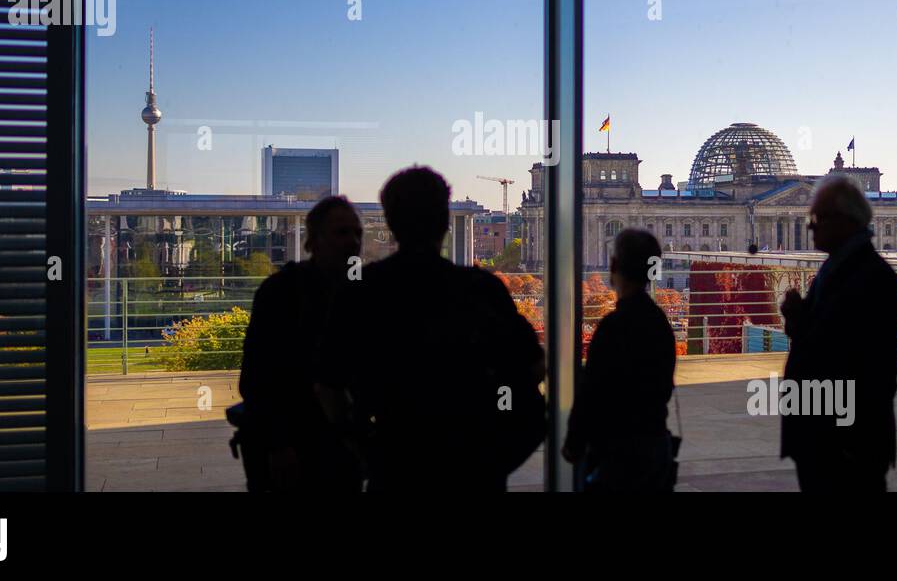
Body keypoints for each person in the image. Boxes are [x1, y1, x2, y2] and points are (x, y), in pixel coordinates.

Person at [314, 167, 544, 492]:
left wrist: (366, 446)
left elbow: (329, 387)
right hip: (472, 466)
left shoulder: (362, 291)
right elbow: (532, 368)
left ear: (391, 224)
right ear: (445, 223)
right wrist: (495, 453)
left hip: (396, 467)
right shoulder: (481, 289)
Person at [779, 175, 897, 492]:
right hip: (824, 435)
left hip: (845, 442)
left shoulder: (872, 277)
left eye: (816, 218)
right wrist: (797, 318)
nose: (809, 227)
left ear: (844, 221)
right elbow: (826, 338)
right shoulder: (839, 266)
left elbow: (851, 359)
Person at [236, 195, 364, 492]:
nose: (353, 241)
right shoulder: (282, 292)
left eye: (357, 233)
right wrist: (279, 445)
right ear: (313, 241)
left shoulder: (353, 292)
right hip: (297, 443)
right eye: (342, 232)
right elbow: (258, 378)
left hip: (334, 447)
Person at [564, 228, 677, 492]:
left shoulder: (612, 327)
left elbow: (590, 395)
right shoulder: (661, 324)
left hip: (618, 452)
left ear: (613, 265)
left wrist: (573, 443)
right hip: (656, 446)